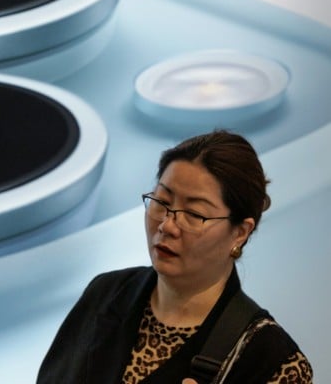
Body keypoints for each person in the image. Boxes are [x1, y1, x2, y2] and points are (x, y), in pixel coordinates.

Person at [37, 130, 312, 384]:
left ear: (240, 232)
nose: (167, 225)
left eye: (194, 214)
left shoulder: (274, 360)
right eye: (162, 202)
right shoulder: (106, 293)